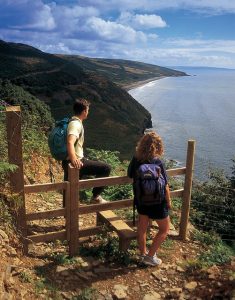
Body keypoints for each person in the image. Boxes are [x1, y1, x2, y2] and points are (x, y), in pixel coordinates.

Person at [127, 131, 171, 266]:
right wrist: (168, 201)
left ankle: (142, 254)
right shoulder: (158, 161)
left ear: (142, 144)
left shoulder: (136, 159)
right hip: (158, 201)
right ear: (158, 146)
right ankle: (150, 257)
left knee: (142, 228)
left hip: (141, 200)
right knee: (164, 229)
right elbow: (166, 185)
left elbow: (129, 175)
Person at [62, 98, 111, 204]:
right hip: (75, 161)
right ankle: (95, 197)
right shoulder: (76, 124)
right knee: (105, 168)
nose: (88, 112)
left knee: (70, 189)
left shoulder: (73, 121)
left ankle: (67, 216)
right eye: (87, 110)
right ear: (84, 111)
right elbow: (70, 142)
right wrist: (74, 159)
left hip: (67, 160)